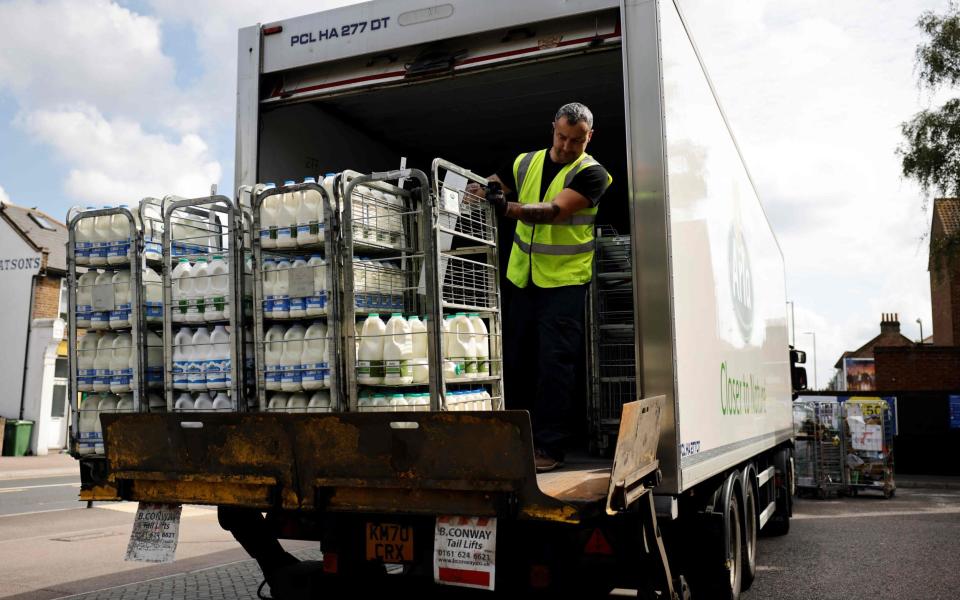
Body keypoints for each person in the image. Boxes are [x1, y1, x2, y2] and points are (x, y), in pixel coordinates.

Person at [478, 102, 612, 473]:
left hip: (564, 284)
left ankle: (550, 448)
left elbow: (554, 211)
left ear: (590, 137)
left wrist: (505, 208)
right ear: (552, 128)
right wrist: (471, 191)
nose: (568, 147)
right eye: (562, 137)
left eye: (577, 140)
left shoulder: (593, 174)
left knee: (555, 365)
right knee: (515, 360)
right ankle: (513, 440)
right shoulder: (525, 162)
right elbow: (491, 184)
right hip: (523, 278)